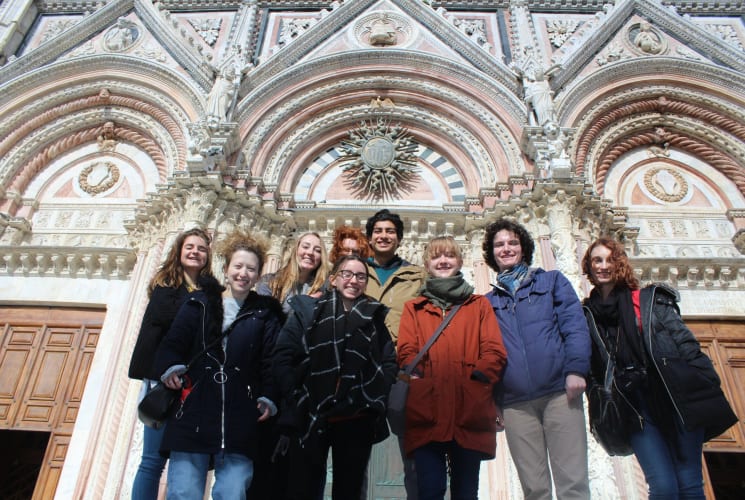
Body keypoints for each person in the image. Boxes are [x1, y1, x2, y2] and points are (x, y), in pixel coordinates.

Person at [581, 237, 737, 499]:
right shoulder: (586, 313)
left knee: (689, 483)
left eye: (610, 259)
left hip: (676, 395)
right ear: (589, 266)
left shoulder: (649, 299)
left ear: (620, 263)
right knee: (662, 486)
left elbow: (684, 343)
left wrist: (704, 383)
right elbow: (590, 364)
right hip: (635, 407)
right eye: (597, 260)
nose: (604, 266)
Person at [155, 230, 284, 500]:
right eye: (238, 266)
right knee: (183, 491)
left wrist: (268, 396)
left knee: (232, 491)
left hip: (240, 413)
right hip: (194, 409)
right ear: (226, 269)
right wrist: (171, 368)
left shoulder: (265, 314)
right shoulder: (198, 303)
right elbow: (172, 344)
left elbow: (272, 360)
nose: (243, 273)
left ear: (258, 275)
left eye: (251, 269)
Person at [482, 218, 591, 500]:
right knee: (534, 488)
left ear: (524, 247)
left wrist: (577, 370)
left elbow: (574, 325)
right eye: (499, 244)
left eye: (512, 243)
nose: (506, 249)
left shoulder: (552, 281)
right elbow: (486, 353)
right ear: (491, 253)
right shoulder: (487, 302)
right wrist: (492, 400)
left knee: (573, 483)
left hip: (559, 393)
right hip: (515, 404)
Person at [272, 255, 397, 499]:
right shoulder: (307, 311)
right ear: (334, 279)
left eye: (361, 276)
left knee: (349, 490)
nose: (354, 280)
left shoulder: (374, 317)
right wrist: (296, 395)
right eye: (347, 274)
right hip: (310, 412)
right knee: (304, 488)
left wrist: (372, 396)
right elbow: (283, 356)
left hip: (356, 415)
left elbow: (388, 362)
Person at [397, 236, 507, 500]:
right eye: (436, 256)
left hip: (469, 410)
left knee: (466, 492)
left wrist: (478, 378)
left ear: (459, 261)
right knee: (430, 490)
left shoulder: (478, 305)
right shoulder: (414, 308)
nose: (443, 261)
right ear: (427, 263)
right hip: (427, 411)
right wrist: (420, 379)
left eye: (449, 255)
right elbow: (406, 351)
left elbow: (494, 350)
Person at [128, 228, 213, 500]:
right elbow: (154, 333)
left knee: (185, 460)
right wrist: (160, 374)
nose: (195, 252)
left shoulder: (210, 291)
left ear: (208, 256)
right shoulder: (165, 287)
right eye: (190, 247)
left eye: (201, 248)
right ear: (179, 251)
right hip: (163, 383)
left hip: (193, 387)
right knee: (152, 459)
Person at [363, 209, 426, 499]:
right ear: (370, 237)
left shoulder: (416, 277)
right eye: (378, 231)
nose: (384, 236)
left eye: (390, 231)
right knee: (354, 456)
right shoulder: (355, 272)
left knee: (413, 453)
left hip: (402, 370)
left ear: (399, 239)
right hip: (361, 372)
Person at [257, 232, 329, 314]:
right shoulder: (269, 282)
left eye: (317, 250)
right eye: (305, 247)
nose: (310, 252)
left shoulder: (324, 290)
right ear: (296, 250)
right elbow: (265, 319)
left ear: (321, 258)